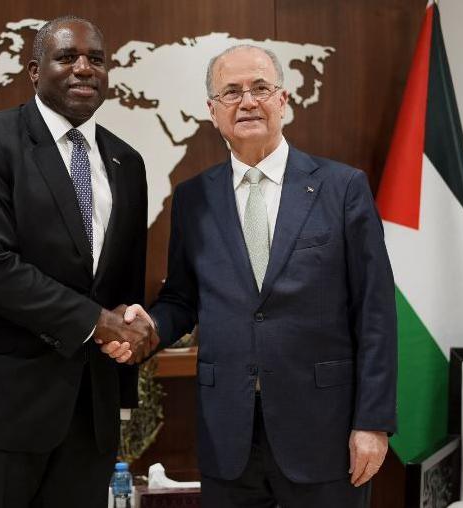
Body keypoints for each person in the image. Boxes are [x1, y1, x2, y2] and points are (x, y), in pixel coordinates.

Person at [113, 45, 397, 507]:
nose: (247, 101)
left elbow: (376, 313)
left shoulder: (342, 188)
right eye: (231, 92)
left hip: (325, 433)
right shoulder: (192, 199)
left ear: (283, 101)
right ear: (212, 111)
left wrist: (373, 422)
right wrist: (148, 327)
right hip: (229, 435)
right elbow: (183, 301)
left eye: (260, 88)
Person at [0, 15, 155, 508]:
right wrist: (99, 323)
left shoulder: (127, 162)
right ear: (34, 70)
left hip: (87, 415)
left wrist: (132, 330)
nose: (84, 69)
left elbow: (121, 286)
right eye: (67, 57)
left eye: (96, 59)